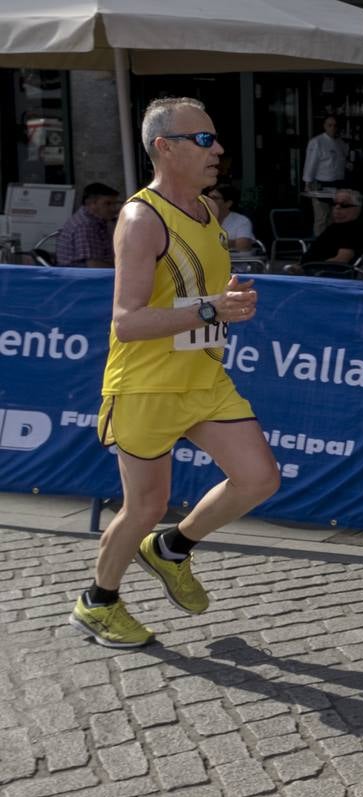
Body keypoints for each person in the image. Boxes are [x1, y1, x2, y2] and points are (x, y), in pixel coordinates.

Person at [68, 97, 279, 649]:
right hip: (146, 385)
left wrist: (226, 301)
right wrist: (211, 311)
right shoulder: (141, 219)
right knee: (145, 506)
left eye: (216, 139)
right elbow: (127, 321)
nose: (219, 151)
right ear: (165, 148)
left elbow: (192, 294)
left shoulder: (208, 212)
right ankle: (98, 602)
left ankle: (171, 550)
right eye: (204, 141)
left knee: (259, 479)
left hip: (205, 377)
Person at [301, 115, 348, 234]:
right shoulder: (317, 142)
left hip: (337, 184)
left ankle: (330, 246)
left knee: (334, 217)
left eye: (335, 125)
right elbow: (310, 163)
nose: (333, 128)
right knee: (321, 217)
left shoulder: (341, 143)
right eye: (330, 125)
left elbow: (343, 163)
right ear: (324, 126)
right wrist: (307, 183)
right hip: (320, 183)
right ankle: (319, 248)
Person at [299, 189, 363, 268]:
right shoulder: (334, 227)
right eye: (334, 204)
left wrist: (307, 268)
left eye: (344, 205)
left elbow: (341, 260)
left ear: (357, 209)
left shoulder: (353, 230)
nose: (337, 208)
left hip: (323, 274)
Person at [56, 182, 120, 268]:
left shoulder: (98, 221)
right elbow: (94, 266)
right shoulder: (85, 226)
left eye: (115, 204)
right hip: (83, 277)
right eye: (108, 204)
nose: (114, 209)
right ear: (92, 204)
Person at [206, 183, 256, 252]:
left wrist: (209, 242)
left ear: (228, 203)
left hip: (235, 261)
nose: (208, 201)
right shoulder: (200, 218)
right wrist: (233, 242)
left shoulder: (241, 221)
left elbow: (243, 246)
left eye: (214, 198)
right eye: (208, 197)